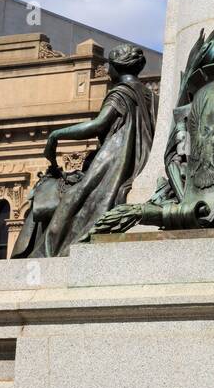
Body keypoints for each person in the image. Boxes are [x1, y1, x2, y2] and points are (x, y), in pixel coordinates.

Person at [12, 43, 156, 258]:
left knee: (73, 199)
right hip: (142, 158)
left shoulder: (120, 92)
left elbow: (96, 125)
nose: (107, 71)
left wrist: (56, 135)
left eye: (109, 65)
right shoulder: (150, 96)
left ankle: (47, 254)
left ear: (117, 67)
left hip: (117, 159)